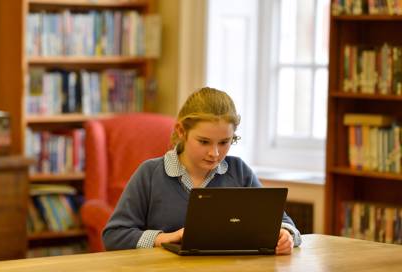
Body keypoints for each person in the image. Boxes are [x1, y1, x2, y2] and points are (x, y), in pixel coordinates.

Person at [103, 87, 302, 254]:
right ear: (181, 131)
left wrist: (286, 235)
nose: (214, 153)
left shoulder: (240, 172)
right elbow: (113, 236)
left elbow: (283, 223)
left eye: (224, 142)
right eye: (204, 142)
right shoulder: (150, 174)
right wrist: (165, 238)